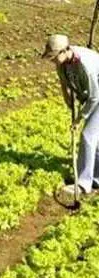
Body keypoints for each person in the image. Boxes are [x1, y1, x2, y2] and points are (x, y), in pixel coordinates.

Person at [42, 34, 99, 194]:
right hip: (92, 96)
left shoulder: (85, 64)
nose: (52, 61)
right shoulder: (62, 63)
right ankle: (96, 178)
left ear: (64, 51)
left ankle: (82, 184)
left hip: (97, 96)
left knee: (88, 135)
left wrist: (79, 118)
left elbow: (94, 98)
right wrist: (69, 101)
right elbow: (64, 83)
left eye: (53, 57)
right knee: (96, 139)